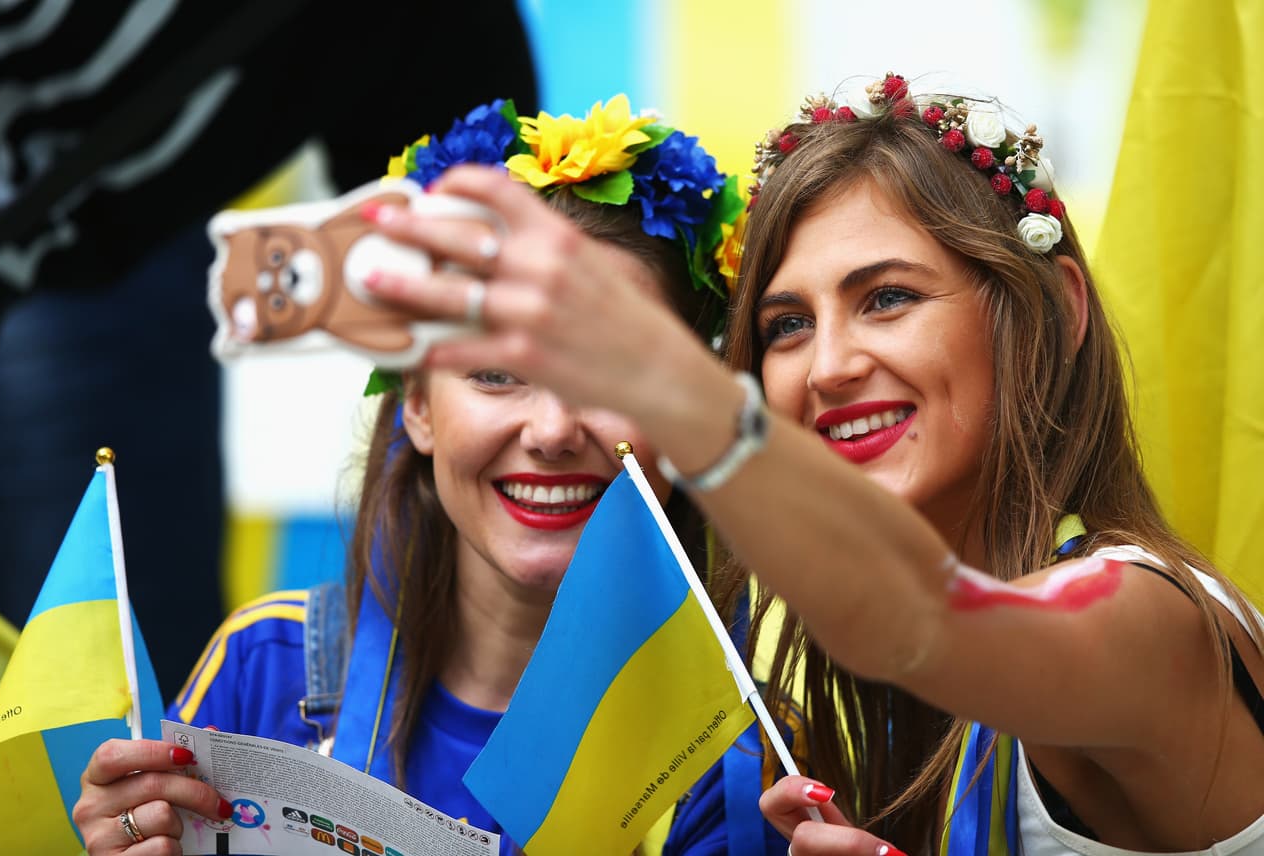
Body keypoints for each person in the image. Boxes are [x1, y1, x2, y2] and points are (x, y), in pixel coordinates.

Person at [349, 73, 1264, 854]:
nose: (828, 366)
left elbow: (926, 621)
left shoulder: (1140, 619)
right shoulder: (891, 708)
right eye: (788, 324)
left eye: (889, 298)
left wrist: (682, 401)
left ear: (1054, 310)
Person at [72, 96, 793, 856]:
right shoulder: (266, 666)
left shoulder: (745, 752)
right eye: (495, 373)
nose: (551, 431)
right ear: (417, 402)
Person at [0, 0, 538, 697]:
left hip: (109, 264)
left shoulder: (442, 33)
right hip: (70, 268)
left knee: (121, 686)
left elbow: (473, 290)